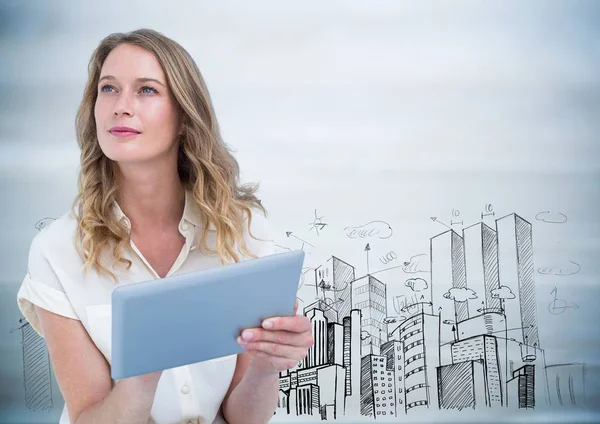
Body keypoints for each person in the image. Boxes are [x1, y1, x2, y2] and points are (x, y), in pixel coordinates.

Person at [16, 28, 313, 424]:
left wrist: (266, 362)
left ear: (184, 119)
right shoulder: (56, 252)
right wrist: (144, 368)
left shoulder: (243, 234)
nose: (121, 106)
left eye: (147, 90)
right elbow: (88, 417)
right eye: (108, 89)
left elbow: (243, 417)